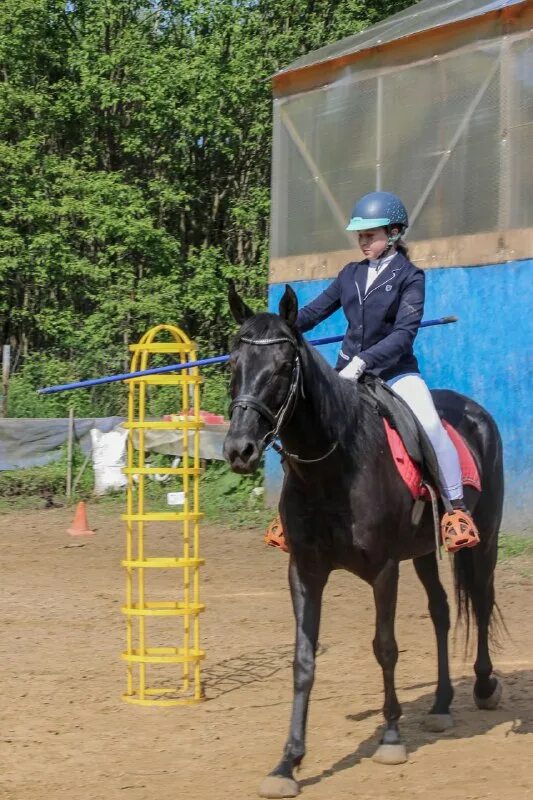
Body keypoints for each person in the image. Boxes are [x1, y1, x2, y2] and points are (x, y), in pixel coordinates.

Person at [267, 191, 479, 553]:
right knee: (304, 426)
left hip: (395, 373)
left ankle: (455, 512)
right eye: (360, 235)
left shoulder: (410, 277)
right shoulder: (350, 274)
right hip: (346, 372)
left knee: (429, 424)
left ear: (394, 233)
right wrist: (272, 330)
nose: (363, 241)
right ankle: (290, 515)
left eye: (371, 234)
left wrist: (363, 363)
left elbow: (403, 335)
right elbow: (313, 313)